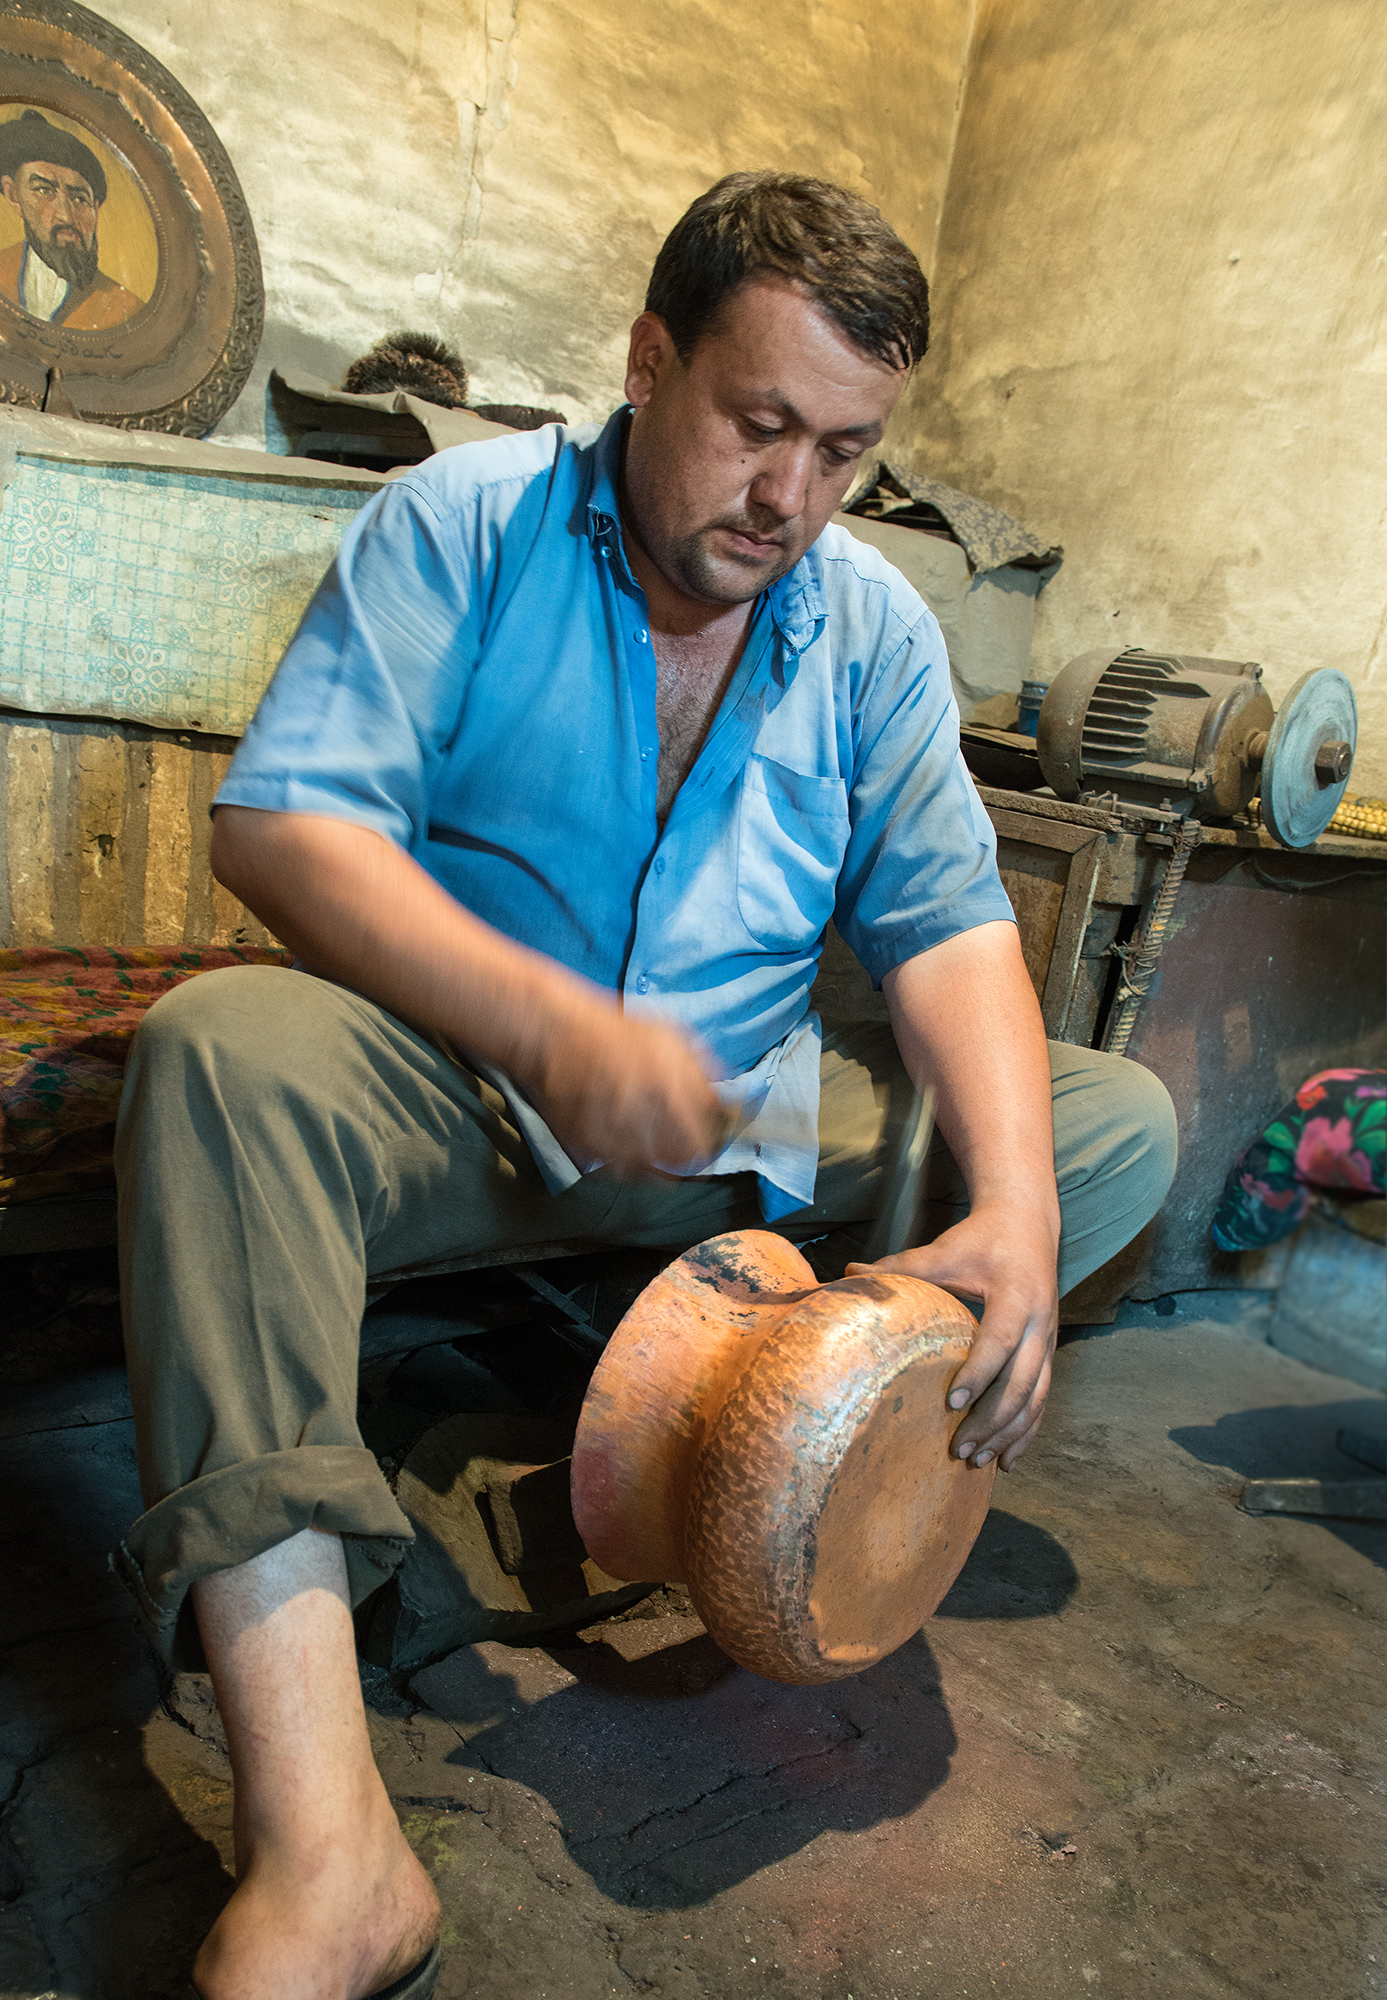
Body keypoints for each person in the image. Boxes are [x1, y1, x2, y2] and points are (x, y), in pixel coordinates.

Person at [113, 171, 1177, 2000]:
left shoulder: (870, 633)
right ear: (649, 359)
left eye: (842, 454)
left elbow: (944, 930)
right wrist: (543, 1029)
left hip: (729, 1126)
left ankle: (749, 1429)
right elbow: (281, 831)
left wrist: (1008, 1207)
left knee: (1098, 1126)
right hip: (461, 1102)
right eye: (757, 425)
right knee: (220, 1057)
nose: (789, 498)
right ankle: (330, 1851)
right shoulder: (464, 523)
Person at [0, 109, 142, 329]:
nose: (66, 215)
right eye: (44, 190)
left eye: (79, 198)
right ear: (14, 195)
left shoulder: (127, 311)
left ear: (95, 208)